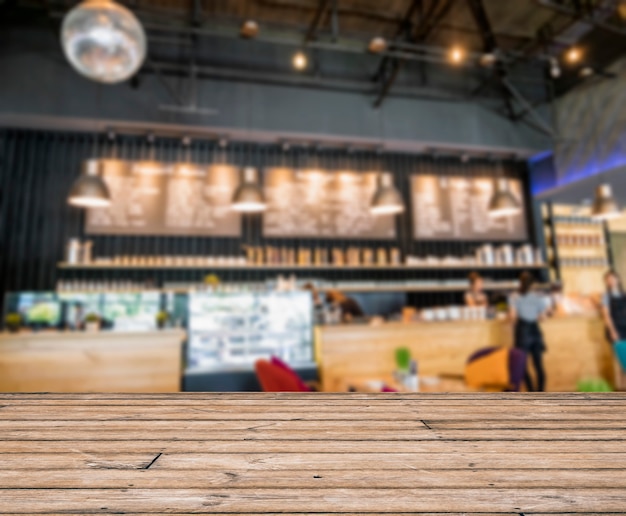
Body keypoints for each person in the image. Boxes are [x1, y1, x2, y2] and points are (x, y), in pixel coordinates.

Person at [509, 271, 548, 392]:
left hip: (522, 332)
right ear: (532, 284)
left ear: (519, 283)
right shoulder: (537, 297)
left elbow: (513, 316)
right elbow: (543, 317)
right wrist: (532, 314)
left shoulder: (514, 296)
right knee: (539, 366)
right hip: (535, 331)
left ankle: (531, 392)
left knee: (522, 366)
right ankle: (540, 393)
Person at [601, 269, 626, 344]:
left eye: (613, 278)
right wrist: (612, 331)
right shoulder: (606, 296)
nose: (611, 281)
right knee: (620, 353)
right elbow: (606, 315)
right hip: (615, 327)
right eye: (608, 280)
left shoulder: (624, 294)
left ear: (618, 279)